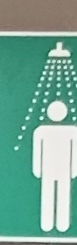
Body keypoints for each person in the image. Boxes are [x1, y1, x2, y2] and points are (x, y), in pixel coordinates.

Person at [35, 98, 77, 233]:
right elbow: (37, 151)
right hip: (48, 169)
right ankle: (46, 224)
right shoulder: (41, 131)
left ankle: (62, 224)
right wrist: (37, 169)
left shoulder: (72, 131)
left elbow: (74, 151)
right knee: (48, 194)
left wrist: (74, 169)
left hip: (64, 169)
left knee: (63, 195)